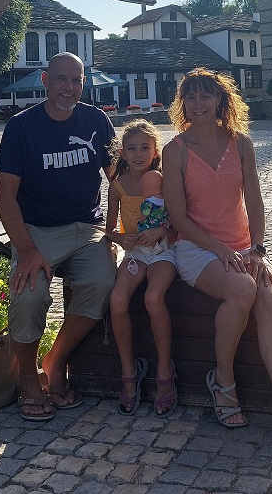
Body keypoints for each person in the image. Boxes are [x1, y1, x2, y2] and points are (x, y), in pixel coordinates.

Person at [162, 68, 272, 456]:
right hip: (196, 248)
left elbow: (254, 200)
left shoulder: (241, 144)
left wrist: (258, 249)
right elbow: (178, 218)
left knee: (266, 296)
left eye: (206, 95)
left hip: (240, 248)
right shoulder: (176, 150)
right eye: (190, 97)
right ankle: (223, 381)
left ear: (221, 100)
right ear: (182, 103)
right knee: (242, 289)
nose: (198, 104)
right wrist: (221, 251)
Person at [0, 52, 117, 422]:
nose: (69, 87)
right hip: (38, 230)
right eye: (61, 78)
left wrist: (122, 232)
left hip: (87, 227)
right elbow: (5, 195)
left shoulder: (96, 120)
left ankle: (55, 359)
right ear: (46, 80)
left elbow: (120, 179)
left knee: (104, 282)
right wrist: (27, 250)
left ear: (83, 83)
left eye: (76, 80)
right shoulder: (22, 127)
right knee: (29, 295)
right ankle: (28, 379)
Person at [105, 120, 178, 416]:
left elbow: (178, 225)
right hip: (136, 253)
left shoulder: (166, 181)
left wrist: (161, 231)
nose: (138, 154)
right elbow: (110, 229)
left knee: (153, 297)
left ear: (155, 150)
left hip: (163, 252)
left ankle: (164, 371)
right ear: (122, 153)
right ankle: (129, 370)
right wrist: (121, 238)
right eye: (132, 149)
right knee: (117, 300)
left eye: (144, 148)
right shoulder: (118, 186)